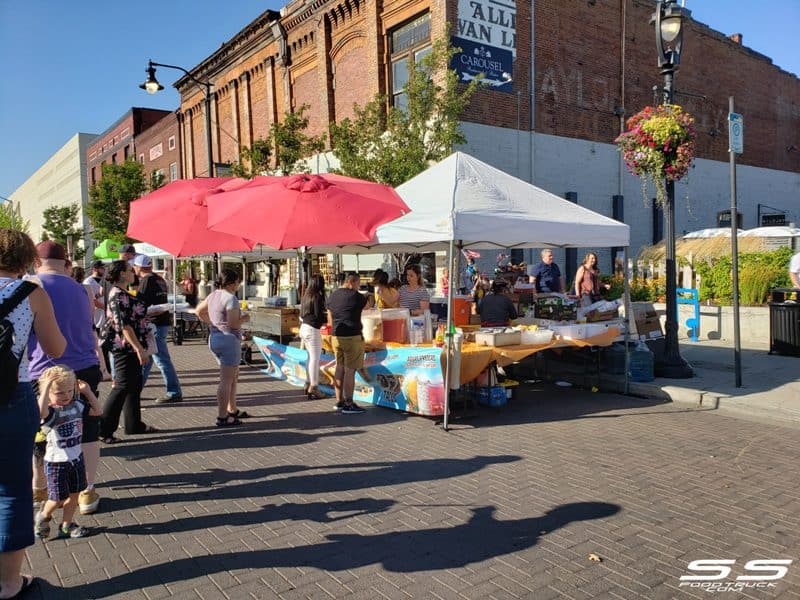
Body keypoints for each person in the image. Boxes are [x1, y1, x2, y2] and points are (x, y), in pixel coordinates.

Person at [0, 228, 65, 600]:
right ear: (26, 258)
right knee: (11, 489)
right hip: (13, 395)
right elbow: (56, 347)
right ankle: (9, 584)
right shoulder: (31, 293)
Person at [27, 241, 104, 517]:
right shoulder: (84, 289)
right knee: (89, 428)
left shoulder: (31, 286)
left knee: (43, 427)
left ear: (36, 261)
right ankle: (87, 491)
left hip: (45, 369)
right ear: (66, 263)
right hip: (85, 365)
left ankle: (41, 487)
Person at [34, 366, 101, 540]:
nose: (66, 395)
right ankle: (44, 516)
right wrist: (47, 386)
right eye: (59, 392)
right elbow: (40, 412)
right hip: (56, 463)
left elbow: (97, 411)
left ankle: (67, 525)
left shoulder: (77, 405)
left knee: (74, 495)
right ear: (49, 393)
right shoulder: (50, 411)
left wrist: (87, 392)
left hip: (76, 459)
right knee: (57, 499)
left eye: (70, 391)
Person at [98, 260, 157, 443]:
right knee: (122, 385)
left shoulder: (122, 292)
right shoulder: (117, 295)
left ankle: (134, 424)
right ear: (122, 274)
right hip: (124, 346)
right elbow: (124, 325)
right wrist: (139, 349)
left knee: (134, 385)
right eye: (130, 270)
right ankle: (104, 429)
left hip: (129, 345)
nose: (134, 273)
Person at [196, 269, 251, 427]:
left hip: (214, 338)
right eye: (238, 282)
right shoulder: (231, 298)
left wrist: (213, 323)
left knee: (233, 377)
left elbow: (199, 311)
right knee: (226, 380)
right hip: (229, 340)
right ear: (232, 283)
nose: (239, 285)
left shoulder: (213, 295)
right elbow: (234, 324)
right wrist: (245, 318)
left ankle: (231, 409)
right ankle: (222, 416)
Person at [134, 255, 183, 404]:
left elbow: (140, 304)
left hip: (153, 324)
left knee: (161, 359)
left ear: (139, 267)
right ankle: (136, 390)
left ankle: (174, 391)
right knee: (148, 359)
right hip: (161, 322)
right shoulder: (159, 279)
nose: (133, 269)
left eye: (134, 266)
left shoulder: (146, 281)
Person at [326, 272, 367, 414]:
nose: (358, 286)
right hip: (352, 336)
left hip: (336, 336)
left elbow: (330, 315)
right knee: (350, 370)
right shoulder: (357, 297)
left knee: (339, 367)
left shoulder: (332, 295)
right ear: (351, 282)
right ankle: (349, 402)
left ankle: (339, 401)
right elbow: (367, 305)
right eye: (358, 283)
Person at [299, 274, 327, 400]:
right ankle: (314, 386)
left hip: (304, 327)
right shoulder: (317, 296)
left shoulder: (306, 295)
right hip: (312, 329)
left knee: (310, 358)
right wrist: (327, 319)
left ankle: (307, 382)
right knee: (315, 359)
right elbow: (318, 316)